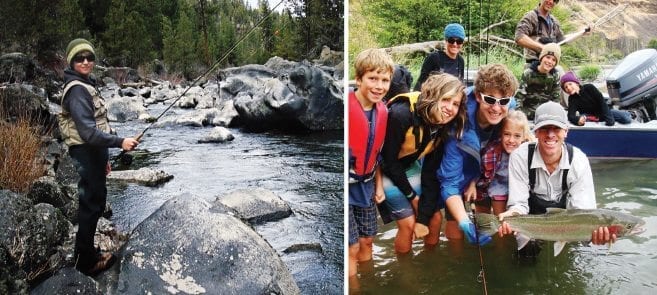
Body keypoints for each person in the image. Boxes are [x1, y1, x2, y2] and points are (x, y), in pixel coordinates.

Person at [59, 38, 139, 276]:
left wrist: (105, 157)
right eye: (79, 58)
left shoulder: (85, 84)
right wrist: (120, 142)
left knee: (95, 203)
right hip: (86, 152)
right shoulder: (76, 90)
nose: (85, 62)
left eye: (89, 57)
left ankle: (86, 253)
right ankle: (85, 261)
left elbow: (98, 126)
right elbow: (88, 133)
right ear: (71, 61)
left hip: (93, 154)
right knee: (91, 206)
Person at [498, 101, 616, 255]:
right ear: (536, 132)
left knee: (570, 256)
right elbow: (519, 203)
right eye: (545, 128)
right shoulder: (520, 156)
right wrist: (512, 216)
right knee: (526, 257)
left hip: (568, 222)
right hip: (530, 216)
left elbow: (583, 212)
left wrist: (590, 235)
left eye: (557, 128)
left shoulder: (578, 161)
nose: (550, 134)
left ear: (566, 131)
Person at [429, 64, 518, 245]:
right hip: (455, 167)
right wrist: (464, 222)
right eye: (490, 100)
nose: (496, 108)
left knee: (485, 219)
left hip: (481, 173)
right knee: (454, 223)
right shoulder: (458, 126)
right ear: (478, 96)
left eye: (503, 101)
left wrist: (474, 180)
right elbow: (450, 183)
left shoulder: (509, 107)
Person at [380, 73, 467, 254]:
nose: (450, 108)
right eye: (446, 100)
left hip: (409, 167)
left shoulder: (444, 126)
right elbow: (388, 162)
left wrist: (423, 216)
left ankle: (429, 263)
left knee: (434, 218)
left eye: (456, 104)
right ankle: (406, 273)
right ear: (433, 96)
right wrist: (412, 197)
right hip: (386, 169)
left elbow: (430, 172)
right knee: (409, 225)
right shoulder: (401, 115)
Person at [348, 48, 394, 278]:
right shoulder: (345, 109)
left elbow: (375, 155)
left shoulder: (383, 112)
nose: (379, 86)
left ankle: (369, 284)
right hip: (346, 187)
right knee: (352, 247)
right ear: (358, 79)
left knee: (367, 241)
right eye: (372, 78)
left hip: (366, 185)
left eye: (384, 80)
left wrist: (378, 186)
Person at [474, 110, 534, 215]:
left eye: (517, 136)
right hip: (498, 186)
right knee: (501, 218)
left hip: (522, 187)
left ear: (524, 136)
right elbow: (478, 172)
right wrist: (472, 185)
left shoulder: (530, 151)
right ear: (501, 133)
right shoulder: (491, 152)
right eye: (507, 134)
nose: (511, 140)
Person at [515, 0, 589, 66]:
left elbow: (562, 40)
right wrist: (543, 48)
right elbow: (519, 37)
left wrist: (582, 33)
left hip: (550, 65)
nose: (551, 2)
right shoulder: (531, 16)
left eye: (555, 0)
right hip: (533, 64)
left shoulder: (554, 21)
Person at [561, 71, 632, 126]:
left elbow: (602, 102)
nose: (569, 88)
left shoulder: (589, 87)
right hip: (590, 116)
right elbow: (570, 116)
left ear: (576, 83)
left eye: (570, 84)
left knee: (626, 119)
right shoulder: (572, 98)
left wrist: (609, 119)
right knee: (582, 116)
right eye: (566, 87)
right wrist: (577, 121)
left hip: (603, 112)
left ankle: (631, 113)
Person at [516, 43, 562, 119]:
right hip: (528, 111)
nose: (550, 61)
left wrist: (554, 114)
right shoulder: (528, 73)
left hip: (546, 112)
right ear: (541, 58)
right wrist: (519, 116)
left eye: (554, 60)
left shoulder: (555, 75)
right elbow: (519, 97)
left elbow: (556, 99)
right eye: (548, 57)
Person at [414, 23, 466, 90]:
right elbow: (421, 83)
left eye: (459, 41)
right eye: (451, 40)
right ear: (446, 41)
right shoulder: (434, 58)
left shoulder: (460, 61)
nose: (455, 44)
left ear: (462, 43)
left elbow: (460, 85)